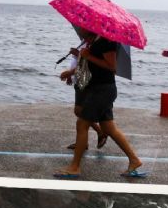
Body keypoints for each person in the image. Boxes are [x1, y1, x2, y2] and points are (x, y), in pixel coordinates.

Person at [54, 29, 143, 179]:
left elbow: (112, 67)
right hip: (99, 89)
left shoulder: (106, 42)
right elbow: (90, 65)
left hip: (102, 90)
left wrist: (89, 56)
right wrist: (72, 71)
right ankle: (134, 160)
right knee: (109, 128)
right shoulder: (95, 42)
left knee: (82, 124)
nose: (80, 31)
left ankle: (74, 167)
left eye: (83, 29)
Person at [60, 43, 108, 150]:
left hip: (85, 82)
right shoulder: (85, 42)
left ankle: (99, 133)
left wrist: (69, 72)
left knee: (80, 112)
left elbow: (88, 63)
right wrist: (71, 74)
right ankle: (83, 142)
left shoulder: (93, 44)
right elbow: (80, 60)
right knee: (81, 113)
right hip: (80, 80)